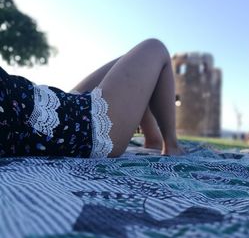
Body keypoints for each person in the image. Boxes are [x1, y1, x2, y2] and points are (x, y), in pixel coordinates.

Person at [0, 38, 184, 158]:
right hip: (77, 127)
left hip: (50, 107)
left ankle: (154, 139)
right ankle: (171, 145)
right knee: (156, 48)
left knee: (129, 61)